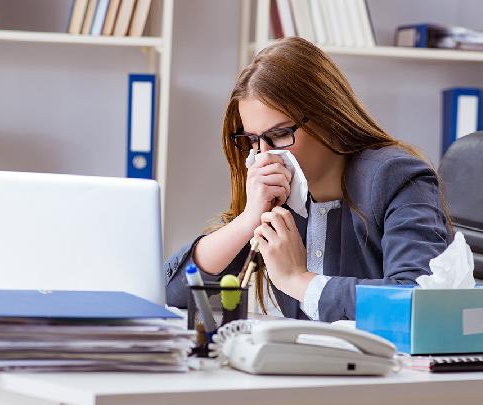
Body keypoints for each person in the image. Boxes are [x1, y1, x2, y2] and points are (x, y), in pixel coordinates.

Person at [164, 37, 451, 322]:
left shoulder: (396, 178)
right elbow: (171, 292)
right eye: (253, 140)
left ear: (328, 117)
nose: (264, 155)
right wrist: (248, 220)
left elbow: (417, 301)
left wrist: (298, 280)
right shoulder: (278, 195)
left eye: (278, 134)